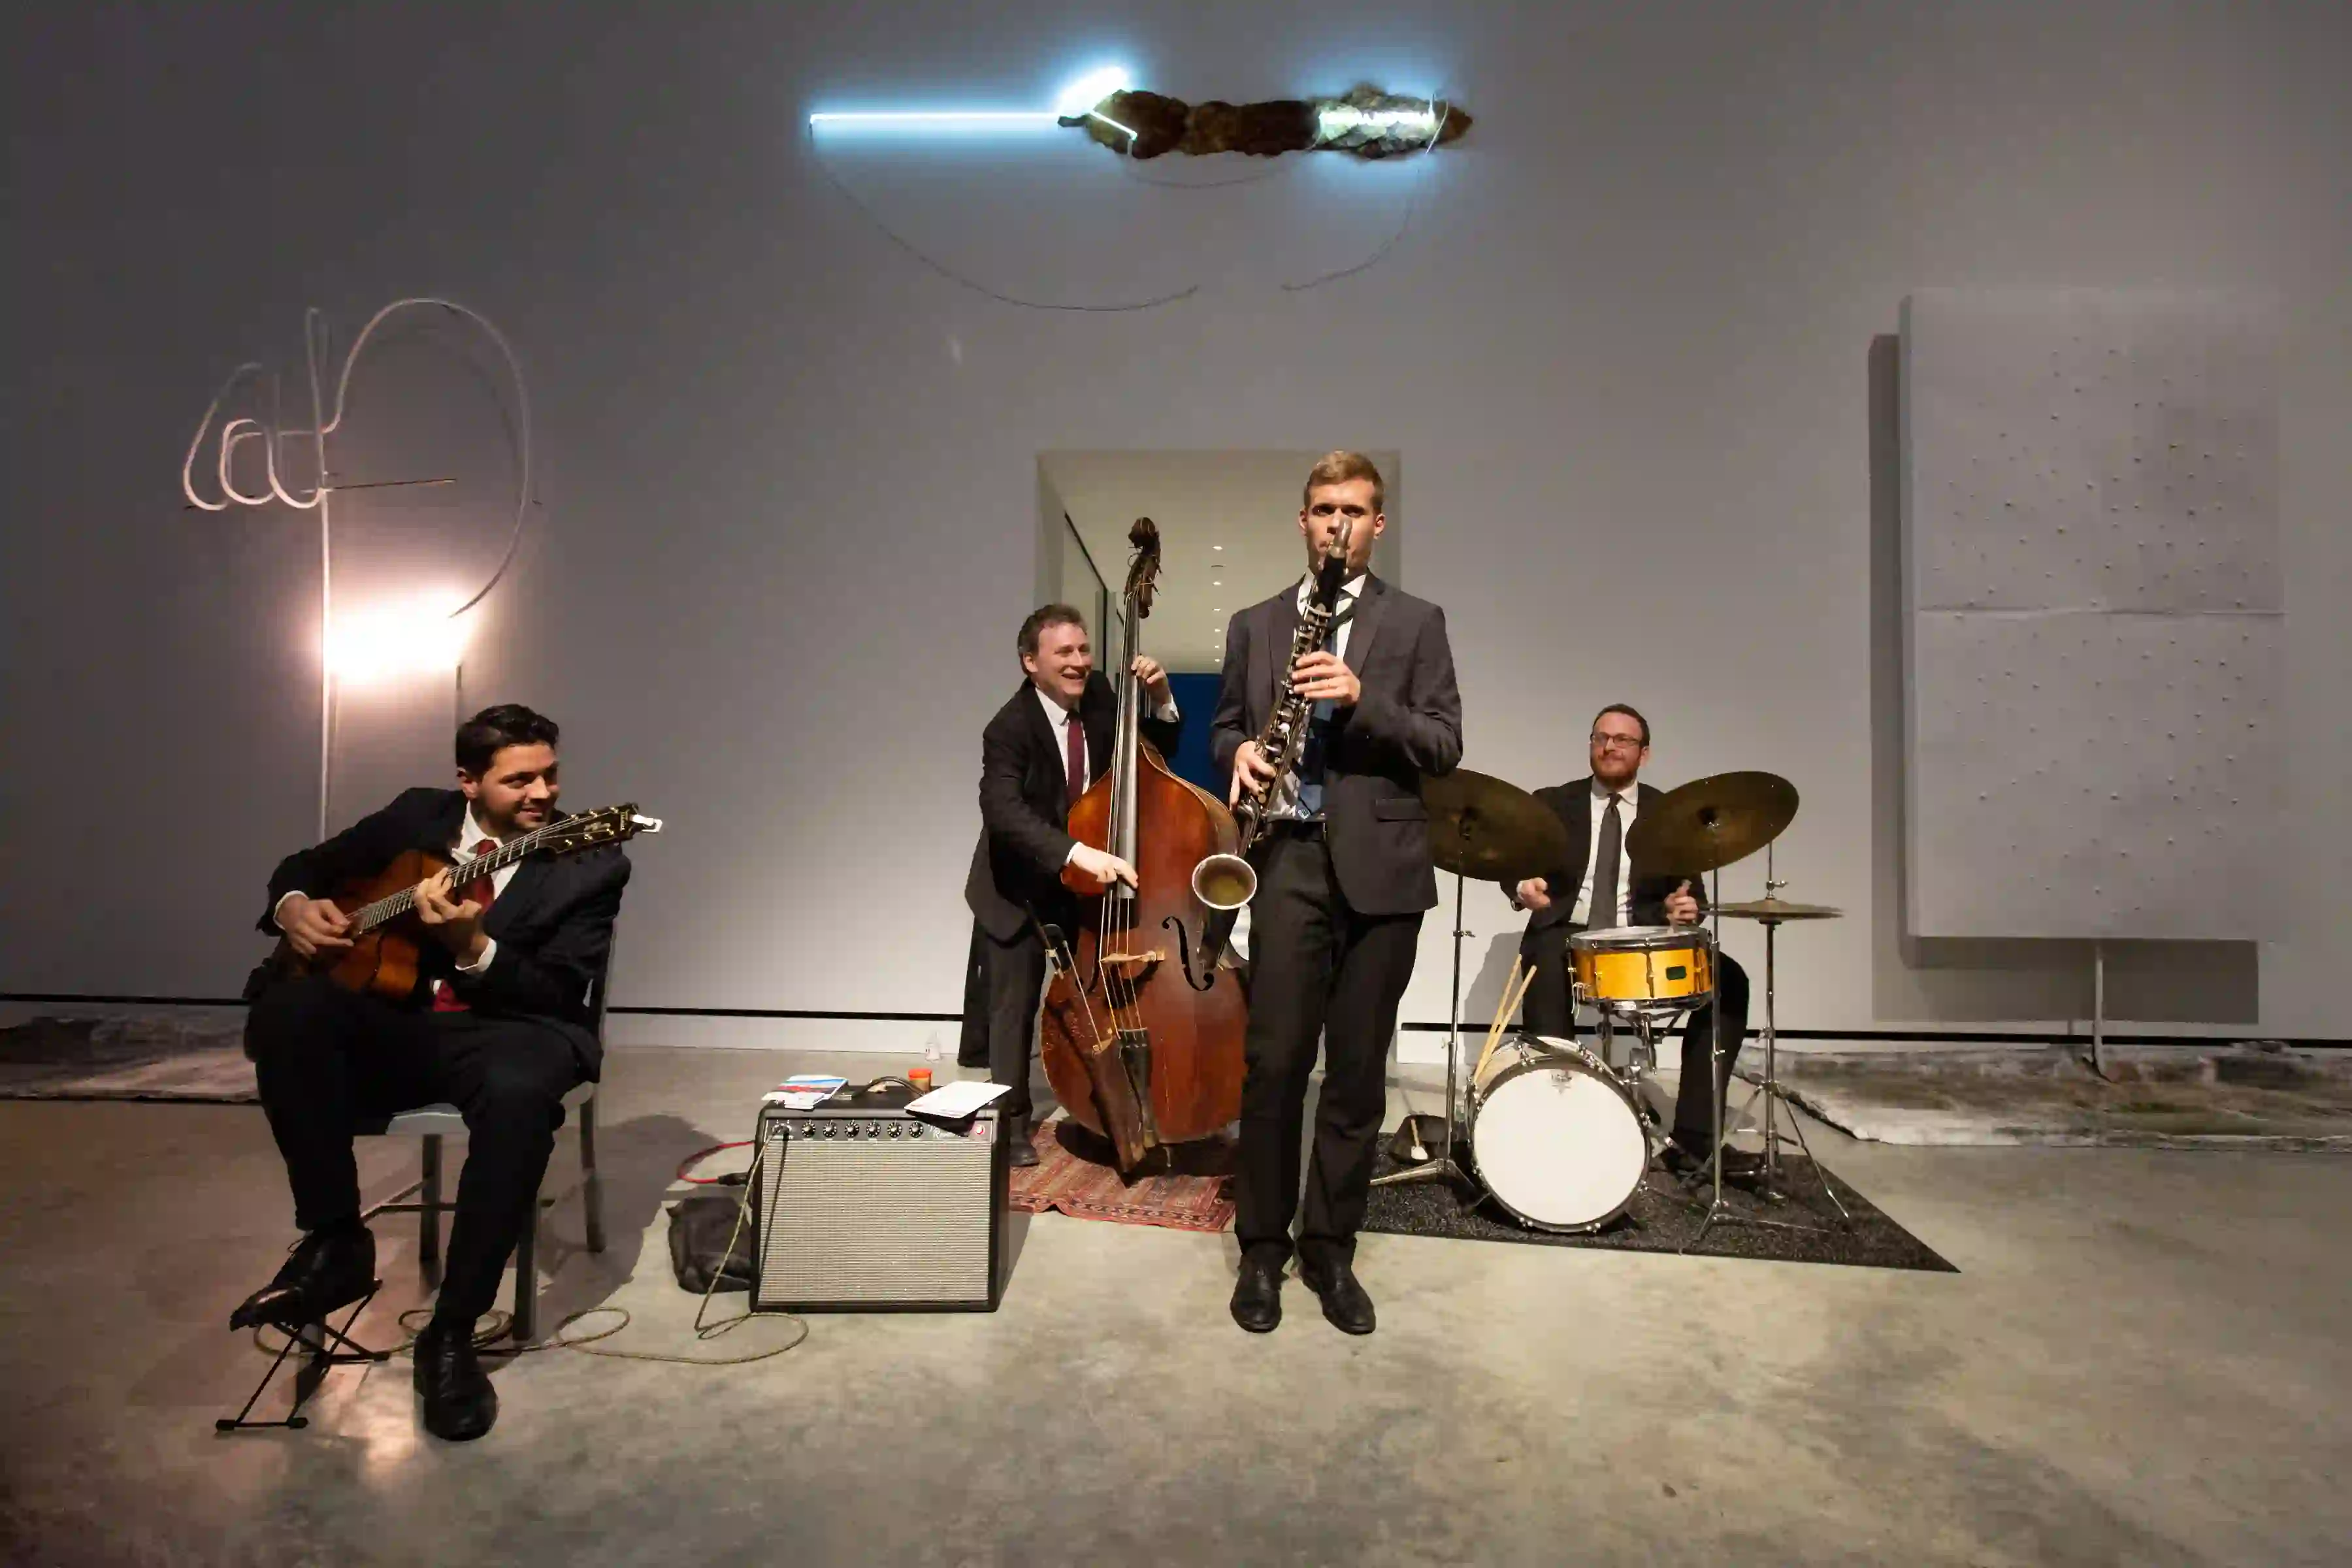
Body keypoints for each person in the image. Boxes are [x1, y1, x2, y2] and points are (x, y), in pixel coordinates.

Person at [233, 704, 630, 1442]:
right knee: (286, 1013)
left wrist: (476, 946)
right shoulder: (419, 815)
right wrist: (293, 909)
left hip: (512, 1027)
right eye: (519, 780)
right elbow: (302, 868)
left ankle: (451, 1334)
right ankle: (335, 1239)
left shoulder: (592, 859)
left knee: (519, 1097)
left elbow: (556, 991)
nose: (543, 793)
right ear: (468, 781)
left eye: (550, 775)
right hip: (402, 1019)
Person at [1213, 451, 1461, 1335]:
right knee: (1274, 1064)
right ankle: (1261, 1248)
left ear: (1378, 525)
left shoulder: (1418, 622)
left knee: (1356, 1075)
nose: (1337, 524)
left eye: (1354, 511)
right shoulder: (1254, 623)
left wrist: (1362, 699)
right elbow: (1224, 728)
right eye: (1324, 510)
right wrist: (1239, 752)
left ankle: (1330, 1248)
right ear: (1304, 520)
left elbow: (1444, 744)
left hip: (1384, 871)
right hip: (1287, 859)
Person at [963, 605, 1180, 1165]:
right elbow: (1003, 812)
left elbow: (1153, 757)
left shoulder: (1102, 695)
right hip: (1014, 884)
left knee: (1095, 997)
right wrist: (1077, 851)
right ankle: (1010, 1126)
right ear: (1030, 662)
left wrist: (1160, 699)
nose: (1079, 662)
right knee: (1013, 1011)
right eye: (1064, 652)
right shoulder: (1008, 728)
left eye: (1083, 650)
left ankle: (1107, 1099)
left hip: (1079, 882)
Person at [1505, 703, 1755, 1175]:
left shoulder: (1671, 812)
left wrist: (1684, 909)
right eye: (1601, 737)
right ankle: (1559, 1128)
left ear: (1645, 753)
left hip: (1640, 938)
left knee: (1730, 980)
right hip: (1567, 933)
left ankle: (1695, 1141)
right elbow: (1513, 862)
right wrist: (1522, 887)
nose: (1610, 746)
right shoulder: (1553, 803)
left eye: (1623, 739)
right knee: (1545, 963)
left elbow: (1693, 896)